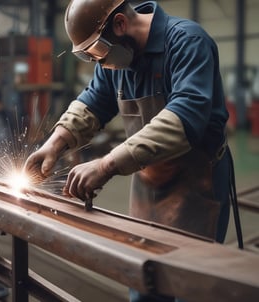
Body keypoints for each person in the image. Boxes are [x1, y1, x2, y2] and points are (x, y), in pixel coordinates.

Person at [25, 1, 235, 301]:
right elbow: (95, 99)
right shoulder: (116, 58)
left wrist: (106, 164)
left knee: (191, 284)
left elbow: (187, 116)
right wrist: (54, 143)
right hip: (147, 179)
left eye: (96, 50)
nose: (97, 62)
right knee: (143, 278)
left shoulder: (187, 41)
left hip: (197, 185)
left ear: (121, 24)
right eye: (87, 55)